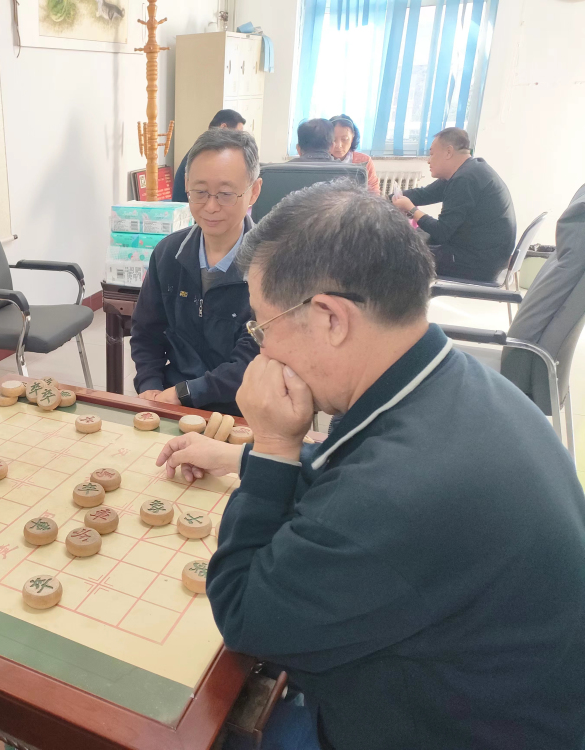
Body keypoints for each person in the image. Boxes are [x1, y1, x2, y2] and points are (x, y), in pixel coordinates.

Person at [156, 182, 585, 750]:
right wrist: (239, 456)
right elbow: (358, 469)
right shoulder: (459, 383)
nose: (262, 352)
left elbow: (243, 616)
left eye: (261, 328)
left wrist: (273, 446)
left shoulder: (397, 493)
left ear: (331, 319)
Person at [132, 128, 262, 415]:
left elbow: (253, 359)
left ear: (254, 191)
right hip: (171, 399)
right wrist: (149, 384)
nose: (211, 207)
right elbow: (146, 332)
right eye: (200, 192)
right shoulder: (168, 254)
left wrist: (187, 393)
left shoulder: (271, 267)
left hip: (243, 408)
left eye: (226, 194)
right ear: (186, 185)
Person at [392, 127, 517, 282]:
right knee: (413, 238)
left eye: (432, 154)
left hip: (478, 262)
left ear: (448, 152)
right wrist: (386, 199)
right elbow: (424, 194)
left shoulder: (465, 179)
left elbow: (441, 232)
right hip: (478, 252)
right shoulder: (468, 170)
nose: (429, 160)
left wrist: (411, 210)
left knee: (398, 255)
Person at [172, 109, 246, 202]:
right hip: (189, 207)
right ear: (224, 127)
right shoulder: (209, 153)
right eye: (238, 133)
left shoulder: (205, 149)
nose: (239, 138)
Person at [328, 113, 379, 193]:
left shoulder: (365, 160)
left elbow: (374, 192)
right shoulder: (320, 159)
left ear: (353, 136)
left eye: (345, 139)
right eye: (333, 139)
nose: (339, 145)